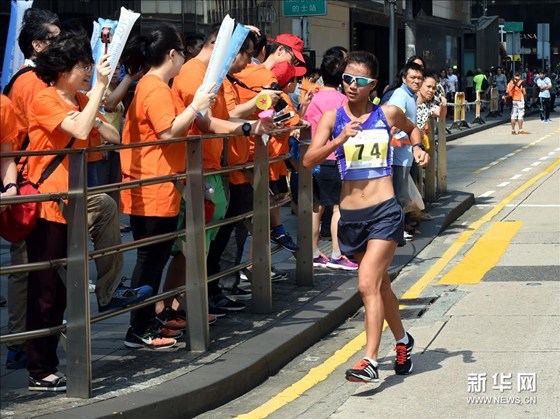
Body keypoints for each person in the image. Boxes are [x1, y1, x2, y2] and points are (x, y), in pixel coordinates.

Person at [24, 30, 149, 391]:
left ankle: (110, 291)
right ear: (63, 69)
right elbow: (80, 128)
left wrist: (93, 107)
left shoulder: (80, 97)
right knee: (47, 290)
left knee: (107, 208)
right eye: (83, 66)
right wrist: (95, 98)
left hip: (75, 200)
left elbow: (111, 137)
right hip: (49, 203)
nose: (88, 71)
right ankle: (39, 369)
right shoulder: (46, 99)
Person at [303, 51, 427, 383]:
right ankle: (403, 340)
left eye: (359, 81)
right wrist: (339, 139)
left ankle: (370, 359)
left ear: (372, 84)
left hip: (385, 211)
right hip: (352, 218)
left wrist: (417, 149)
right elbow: (308, 159)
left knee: (367, 283)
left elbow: (414, 131)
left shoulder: (387, 113)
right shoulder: (332, 118)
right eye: (346, 78)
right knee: (381, 287)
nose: (351, 85)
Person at [119, 24, 216, 348]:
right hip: (153, 186)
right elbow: (166, 131)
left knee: (153, 259)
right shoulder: (156, 88)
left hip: (155, 185)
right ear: (172, 55)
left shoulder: (152, 85)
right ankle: (140, 329)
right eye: (182, 54)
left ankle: (145, 324)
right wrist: (196, 104)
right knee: (150, 261)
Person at [2, 7, 60, 370]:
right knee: (24, 267)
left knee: (28, 267)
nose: (62, 45)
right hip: (27, 182)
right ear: (37, 44)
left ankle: (22, 341)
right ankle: (20, 343)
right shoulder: (29, 82)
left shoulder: (37, 78)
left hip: (22, 180)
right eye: (55, 40)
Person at [304, 53, 357, 270]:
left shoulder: (314, 98)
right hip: (336, 158)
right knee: (338, 208)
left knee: (316, 207)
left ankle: (313, 252)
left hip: (315, 157)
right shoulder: (342, 100)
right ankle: (337, 254)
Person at [384, 62, 428, 241]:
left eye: (419, 78)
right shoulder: (401, 95)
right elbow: (392, 122)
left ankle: (401, 226)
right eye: (413, 78)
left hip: (405, 155)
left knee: (401, 194)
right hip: (397, 155)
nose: (417, 81)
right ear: (403, 78)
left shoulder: (410, 95)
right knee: (398, 195)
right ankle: (396, 230)